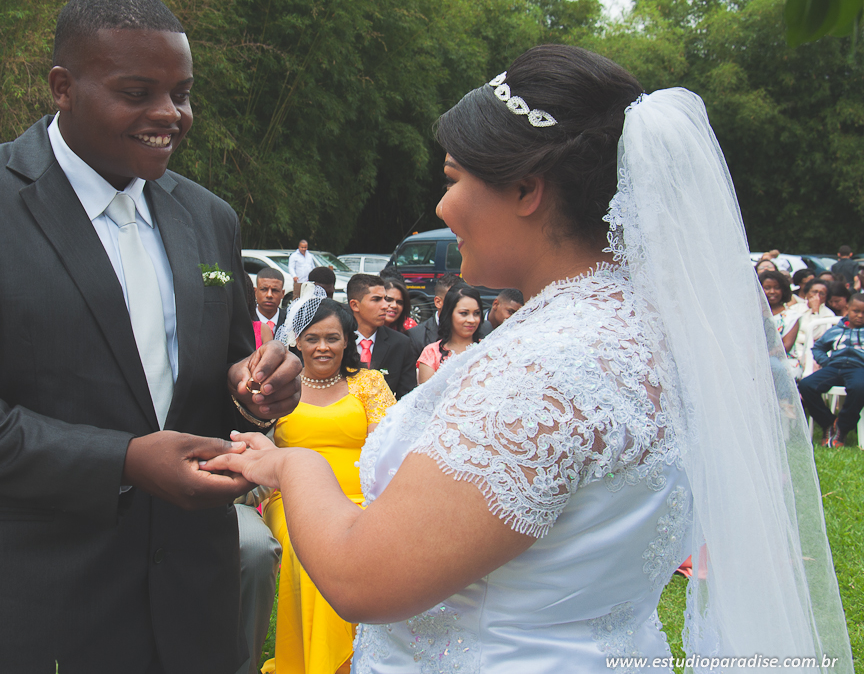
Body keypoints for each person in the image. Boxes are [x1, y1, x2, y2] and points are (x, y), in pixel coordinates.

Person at [203, 45, 850, 671]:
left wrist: (294, 465)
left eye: (454, 179)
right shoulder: (651, 333)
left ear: (525, 189)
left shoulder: (550, 365)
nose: (441, 206)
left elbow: (360, 576)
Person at [0, 0, 301, 673]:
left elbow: (219, 377)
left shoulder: (209, 216)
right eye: (138, 92)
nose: (170, 115)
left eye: (182, 93)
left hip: (189, 606)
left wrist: (253, 389)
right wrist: (124, 460)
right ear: (63, 87)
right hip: (28, 609)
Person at [263, 295, 395, 674]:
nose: (322, 347)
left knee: (374, 538)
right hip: (292, 497)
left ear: (347, 340)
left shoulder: (368, 383)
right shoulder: (279, 387)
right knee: (314, 544)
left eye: (333, 338)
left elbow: (385, 448)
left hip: (361, 494)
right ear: (297, 342)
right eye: (312, 338)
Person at [799, 293, 864, 448]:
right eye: (856, 311)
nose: (860, 316)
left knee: (859, 387)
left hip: (858, 369)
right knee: (806, 385)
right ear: (847, 309)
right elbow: (818, 347)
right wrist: (826, 362)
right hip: (834, 367)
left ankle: (843, 426)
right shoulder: (836, 330)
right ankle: (828, 422)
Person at [346, 273, 418, 398]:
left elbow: (407, 398)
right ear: (355, 305)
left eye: (385, 299)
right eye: (376, 299)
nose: (385, 306)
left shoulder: (401, 344)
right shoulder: (338, 341)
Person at [416, 286, 482, 384]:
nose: (472, 320)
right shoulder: (432, 353)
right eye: (464, 313)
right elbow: (426, 397)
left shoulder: (488, 349)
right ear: (449, 314)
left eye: (476, 313)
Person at [761, 271, 802, 376]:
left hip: (783, 359)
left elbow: (785, 346)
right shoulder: (754, 315)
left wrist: (764, 357)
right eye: (767, 288)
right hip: (756, 359)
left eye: (777, 288)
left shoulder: (791, 316)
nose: (772, 291)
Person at [405, 275, 462, 350]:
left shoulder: (478, 331)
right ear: (438, 302)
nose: (461, 305)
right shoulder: (416, 336)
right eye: (454, 301)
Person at [253, 266, 286, 347]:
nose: (269, 295)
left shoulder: (289, 321)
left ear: (283, 293)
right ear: (255, 292)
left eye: (275, 290)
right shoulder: (246, 320)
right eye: (264, 289)